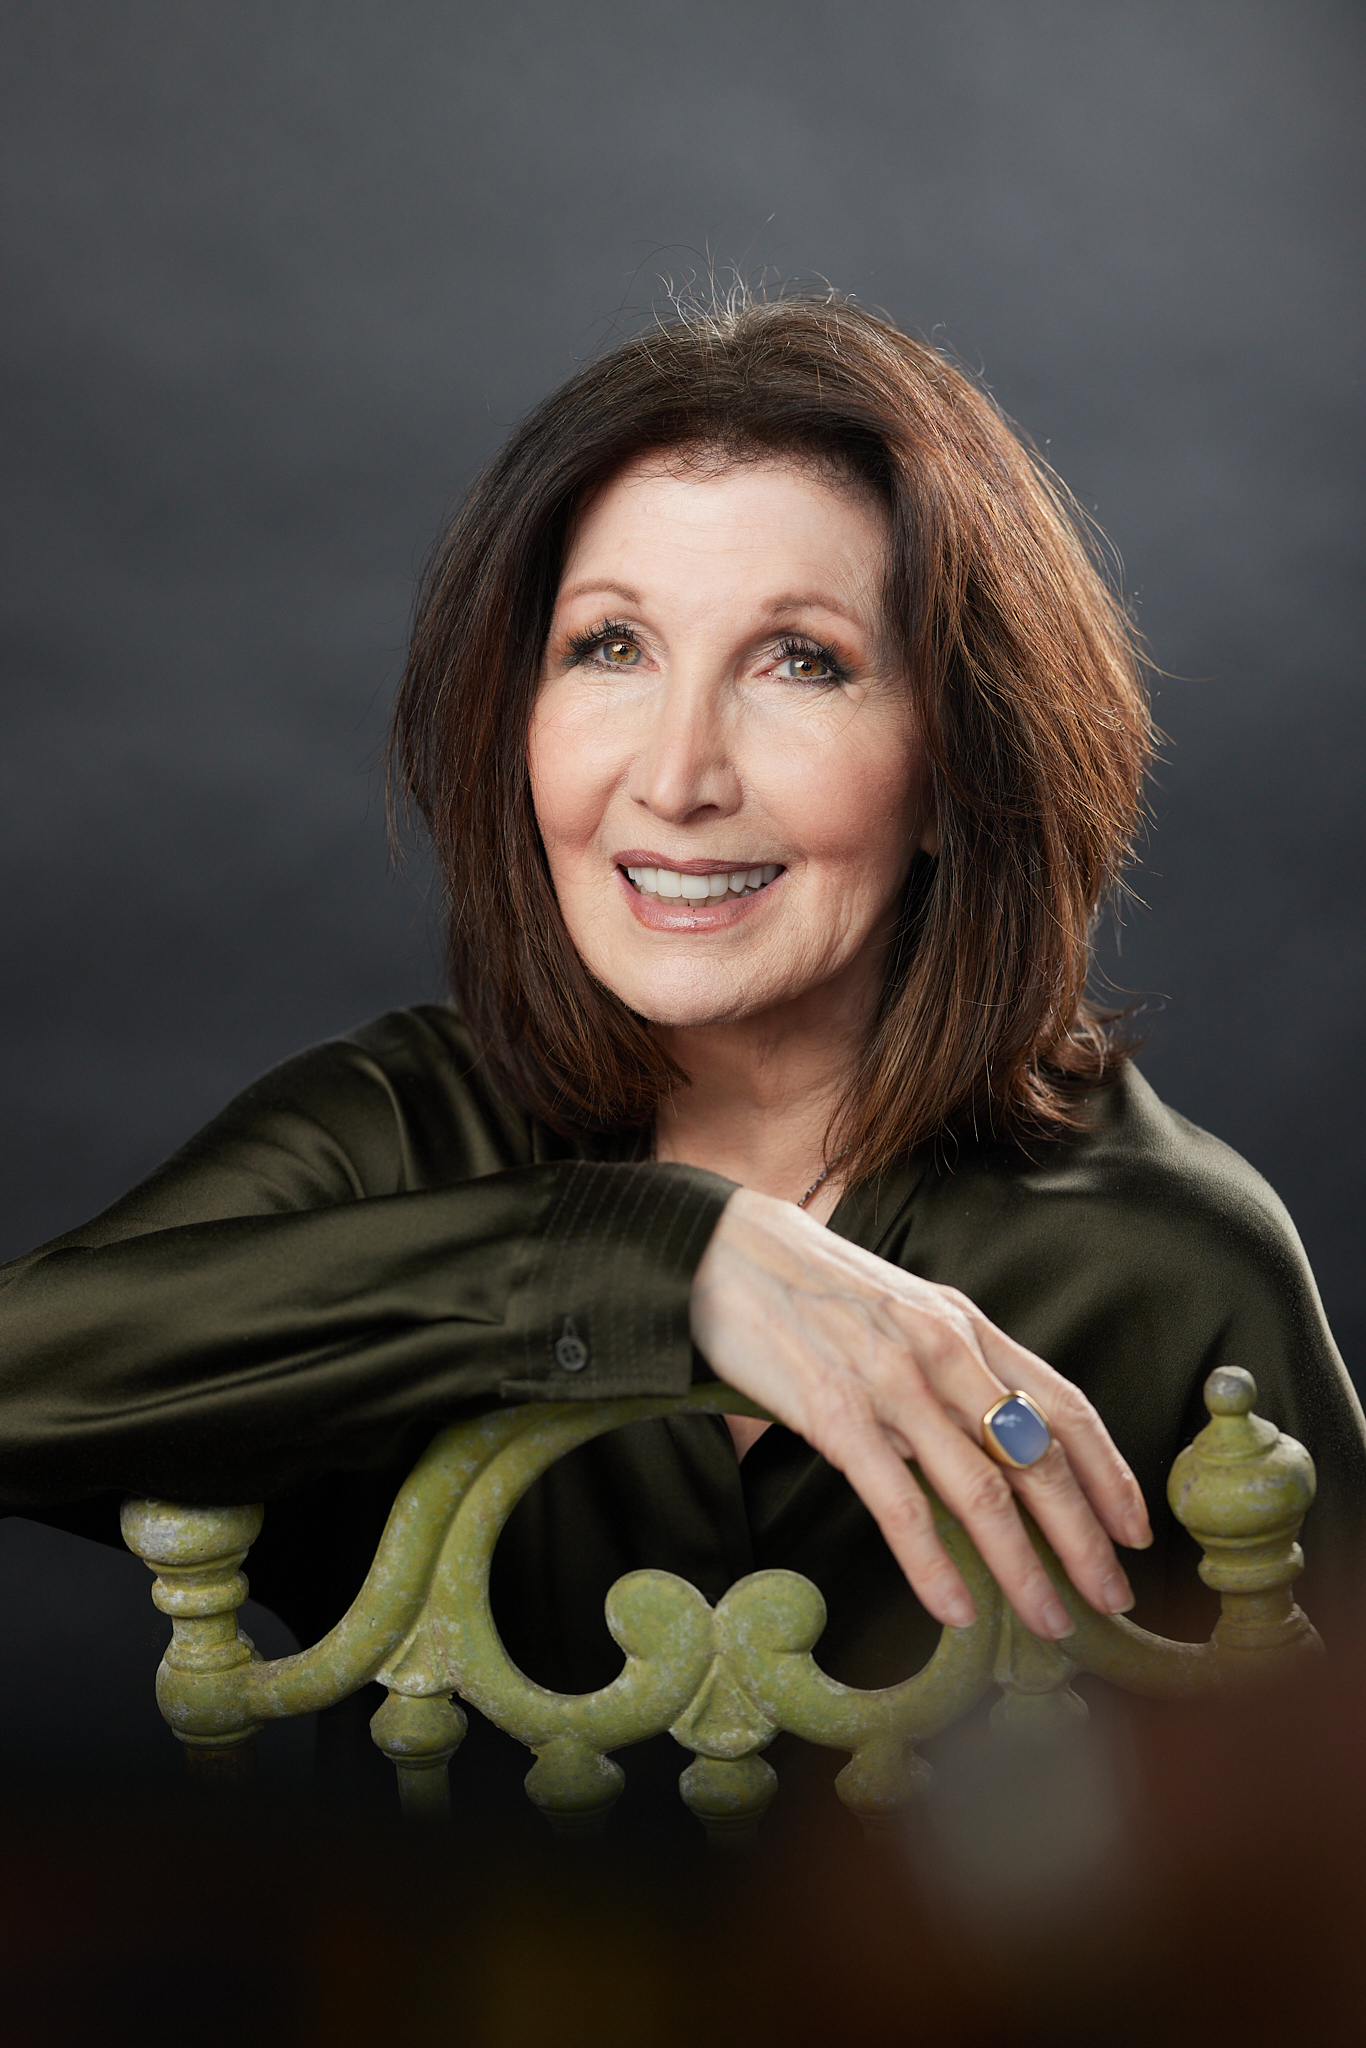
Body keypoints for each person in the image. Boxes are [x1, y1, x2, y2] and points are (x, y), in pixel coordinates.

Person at [2, 294, 1361, 1813]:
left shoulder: (1165, 1261)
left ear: (955, 764)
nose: (674, 775)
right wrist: (648, 1263)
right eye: (610, 647)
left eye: (800, 661)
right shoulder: (393, 1134)